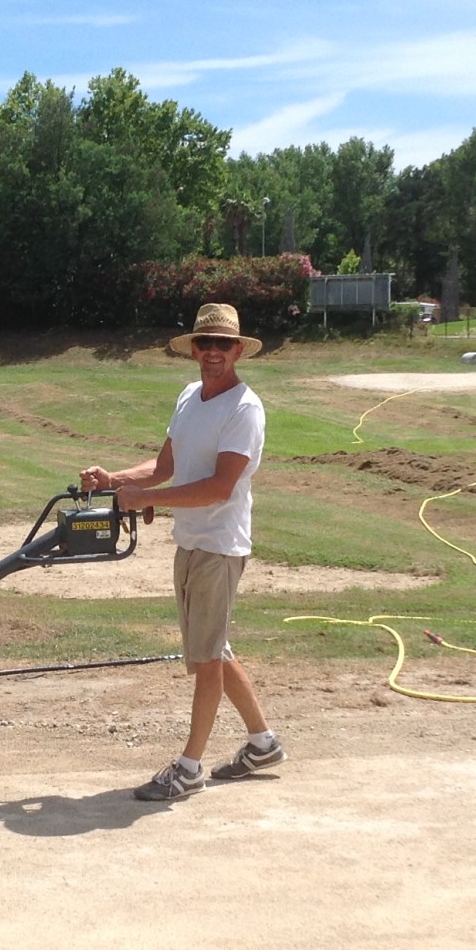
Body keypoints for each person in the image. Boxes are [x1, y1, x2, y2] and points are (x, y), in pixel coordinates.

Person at [80, 302, 285, 802]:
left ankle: (189, 768)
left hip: (219, 545)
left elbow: (219, 486)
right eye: (204, 343)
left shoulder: (244, 409)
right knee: (212, 651)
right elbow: (165, 467)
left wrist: (147, 499)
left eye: (223, 344)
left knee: (207, 661)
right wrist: (116, 481)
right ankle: (263, 743)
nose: (212, 352)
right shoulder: (190, 396)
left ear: (238, 350)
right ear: (193, 349)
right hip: (190, 542)